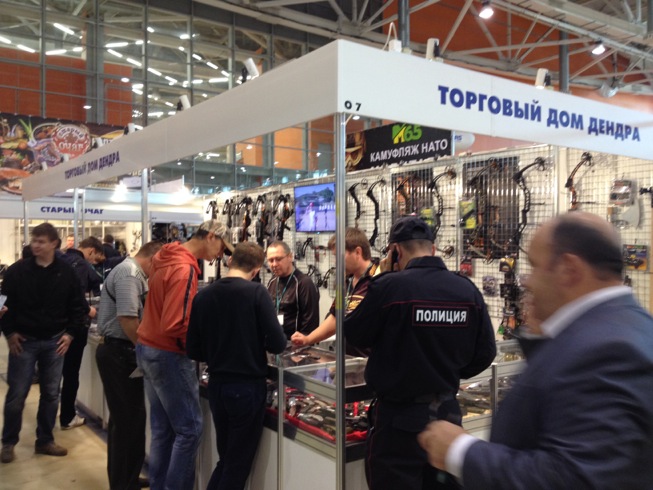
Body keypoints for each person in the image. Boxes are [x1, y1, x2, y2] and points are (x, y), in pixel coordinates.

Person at [418, 212, 653, 490]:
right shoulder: (620, 328)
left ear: (568, 269)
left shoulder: (608, 351)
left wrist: (460, 451)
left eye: (535, 266)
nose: (527, 281)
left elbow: (577, 478)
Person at [344, 216, 497, 489]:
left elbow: (354, 334)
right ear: (433, 249)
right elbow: (485, 353)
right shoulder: (466, 290)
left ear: (395, 251)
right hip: (447, 417)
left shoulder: (389, 287)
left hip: (397, 420)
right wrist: (445, 371)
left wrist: (383, 276)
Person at [136, 219, 233, 490]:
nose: (220, 255)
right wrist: (209, 340)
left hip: (148, 347)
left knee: (162, 430)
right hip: (169, 354)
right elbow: (175, 324)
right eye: (222, 247)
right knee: (189, 431)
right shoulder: (184, 268)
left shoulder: (165, 258)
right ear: (211, 236)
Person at [187, 242, 286, 490]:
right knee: (236, 466)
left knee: (227, 460)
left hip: (217, 386)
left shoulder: (203, 296)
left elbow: (193, 349)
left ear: (230, 261)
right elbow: (278, 343)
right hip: (247, 388)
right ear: (256, 269)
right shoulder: (257, 293)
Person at [0, 223, 88, 464]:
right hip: (23, 342)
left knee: (50, 394)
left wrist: (70, 334)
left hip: (54, 342)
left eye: (41, 241)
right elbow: (2, 304)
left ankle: (45, 440)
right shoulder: (17, 272)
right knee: (17, 394)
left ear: (54, 244)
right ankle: (8, 442)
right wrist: (9, 333)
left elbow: (77, 306)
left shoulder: (67, 273)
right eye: (34, 240)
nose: (35, 245)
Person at [96, 241, 163, 490]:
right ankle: (122, 483)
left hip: (124, 353)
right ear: (154, 258)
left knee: (132, 419)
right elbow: (127, 319)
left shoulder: (134, 274)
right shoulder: (129, 274)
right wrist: (144, 349)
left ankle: (129, 478)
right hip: (118, 354)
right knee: (126, 423)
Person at [291, 227, 379, 356]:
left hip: (371, 361)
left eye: (339, 256)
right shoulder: (345, 282)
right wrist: (308, 339)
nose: (336, 262)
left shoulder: (379, 278)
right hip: (348, 360)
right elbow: (335, 317)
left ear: (358, 252)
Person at [59, 236, 103, 430]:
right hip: (73, 328)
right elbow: (76, 295)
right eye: (95, 258)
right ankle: (67, 417)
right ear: (91, 251)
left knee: (54, 377)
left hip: (55, 327)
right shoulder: (81, 265)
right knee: (71, 373)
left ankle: (47, 425)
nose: (93, 262)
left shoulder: (60, 259)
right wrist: (88, 309)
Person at [266, 240, 320, 340]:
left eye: (278, 259)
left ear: (290, 257)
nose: (274, 264)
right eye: (270, 260)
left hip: (296, 344)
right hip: (275, 341)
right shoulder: (272, 282)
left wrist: (303, 342)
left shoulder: (304, 283)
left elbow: (311, 324)